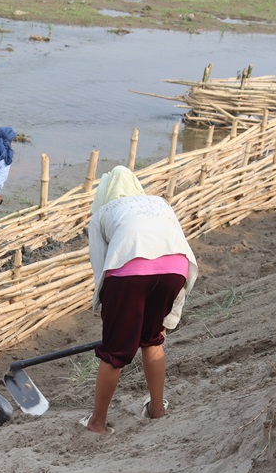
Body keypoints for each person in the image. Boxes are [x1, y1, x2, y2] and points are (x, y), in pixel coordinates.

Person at [80, 166, 198, 435]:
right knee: (153, 340)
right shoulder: (158, 203)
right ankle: (157, 410)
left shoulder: (102, 213)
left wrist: (107, 312)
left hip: (129, 275)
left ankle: (96, 424)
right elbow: (176, 243)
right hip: (175, 269)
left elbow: (102, 268)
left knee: (115, 353)